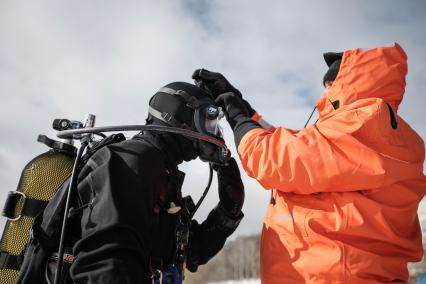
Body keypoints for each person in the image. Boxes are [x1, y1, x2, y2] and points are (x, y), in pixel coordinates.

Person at [192, 43, 426, 283]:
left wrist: (236, 114)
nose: (324, 95)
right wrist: (244, 107)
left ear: (352, 84)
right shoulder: (385, 131)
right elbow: (299, 146)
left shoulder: (362, 122)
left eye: (330, 86)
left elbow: (271, 157)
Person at [16, 82, 244, 284]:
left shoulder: (163, 173)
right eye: (208, 119)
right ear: (180, 115)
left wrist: (227, 211)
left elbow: (187, 255)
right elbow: (106, 267)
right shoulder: (131, 162)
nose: (214, 132)